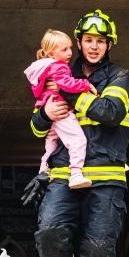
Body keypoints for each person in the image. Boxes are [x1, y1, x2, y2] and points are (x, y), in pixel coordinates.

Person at [22, 9, 129, 257]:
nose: (94, 46)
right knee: (50, 233)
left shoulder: (119, 76)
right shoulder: (60, 72)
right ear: (79, 42)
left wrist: (70, 95)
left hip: (107, 177)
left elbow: (111, 113)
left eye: (101, 41)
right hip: (63, 175)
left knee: (98, 248)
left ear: (109, 44)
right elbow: (36, 126)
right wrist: (45, 113)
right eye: (88, 40)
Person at [24, 29, 98, 189]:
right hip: (61, 110)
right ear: (51, 54)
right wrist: (86, 85)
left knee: (51, 143)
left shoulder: (43, 68)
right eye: (64, 49)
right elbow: (68, 85)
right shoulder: (59, 67)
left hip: (49, 108)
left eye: (70, 47)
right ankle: (76, 175)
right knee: (78, 140)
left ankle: (43, 169)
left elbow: (38, 92)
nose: (70, 52)